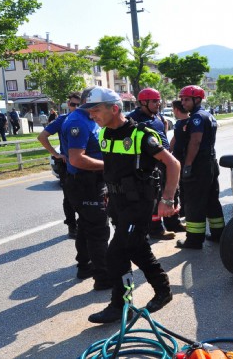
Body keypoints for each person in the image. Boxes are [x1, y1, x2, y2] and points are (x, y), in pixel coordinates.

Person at [82, 87, 179, 324]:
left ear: (114, 109)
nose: (92, 115)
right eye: (90, 111)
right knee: (137, 249)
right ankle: (162, 291)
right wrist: (108, 192)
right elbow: (112, 167)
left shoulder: (141, 135)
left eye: (95, 110)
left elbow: (173, 164)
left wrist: (167, 200)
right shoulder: (104, 134)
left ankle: (119, 305)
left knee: (115, 254)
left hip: (139, 206)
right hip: (118, 204)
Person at [61, 86, 111, 290]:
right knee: (99, 229)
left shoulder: (90, 119)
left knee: (86, 227)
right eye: (103, 105)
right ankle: (104, 277)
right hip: (85, 182)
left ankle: (85, 265)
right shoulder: (77, 122)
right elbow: (77, 159)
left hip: (93, 180)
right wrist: (110, 166)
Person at [128, 88, 184, 237]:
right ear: (143, 102)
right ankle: (156, 229)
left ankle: (173, 222)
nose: (158, 103)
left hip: (165, 160)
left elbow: (162, 134)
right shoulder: (133, 119)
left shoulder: (157, 116)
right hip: (150, 164)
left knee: (173, 191)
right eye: (154, 101)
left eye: (158, 100)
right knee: (155, 195)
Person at [176, 85, 225, 249]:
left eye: (187, 99)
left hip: (199, 165)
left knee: (194, 202)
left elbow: (195, 141)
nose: (183, 102)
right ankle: (219, 234)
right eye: (182, 99)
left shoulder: (197, 117)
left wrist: (188, 165)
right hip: (210, 163)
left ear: (197, 99)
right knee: (212, 200)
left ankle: (194, 240)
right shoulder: (208, 115)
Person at [37, 92, 81, 240]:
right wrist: (56, 154)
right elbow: (42, 137)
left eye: (78, 104)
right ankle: (72, 226)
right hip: (66, 165)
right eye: (72, 104)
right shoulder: (62, 120)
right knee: (69, 198)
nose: (75, 107)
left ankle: (85, 224)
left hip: (85, 164)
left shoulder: (90, 118)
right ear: (68, 105)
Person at [168, 100, 190, 219]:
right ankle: (183, 209)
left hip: (185, 160)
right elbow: (175, 139)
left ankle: (186, 210)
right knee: (179, 185)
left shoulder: (189, 122)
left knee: (184, 186)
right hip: (178, 160)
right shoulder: (178, 123)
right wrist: (168, 152)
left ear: (176, 110)